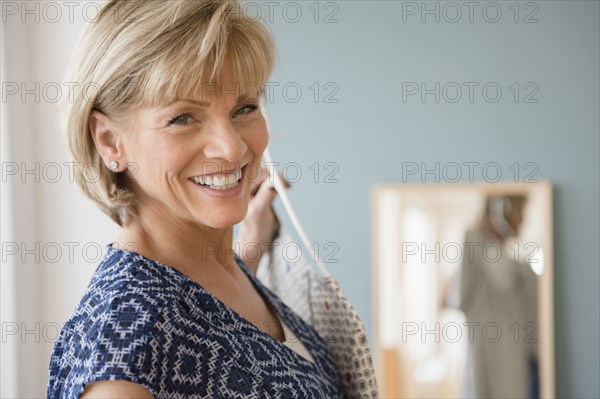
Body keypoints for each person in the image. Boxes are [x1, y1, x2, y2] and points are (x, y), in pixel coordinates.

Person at [47, 1, 342, 397]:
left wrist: (253, 241)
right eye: (183, 118)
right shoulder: (122, 340)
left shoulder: (220, 268)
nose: (232, 148)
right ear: (109, 141)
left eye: (244, 108)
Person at [458, 195, 539, 399]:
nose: (523, 220)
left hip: (522, 359)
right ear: (502, 209)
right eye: (521, 212)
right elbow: (507, 277)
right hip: (495, 365)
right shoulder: (475, 241)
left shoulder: (500, 256)